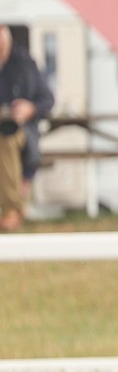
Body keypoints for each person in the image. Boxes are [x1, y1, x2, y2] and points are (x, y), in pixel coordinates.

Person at [0, 25, 55, 231]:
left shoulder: (24, 64)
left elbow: (48, 99)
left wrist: (30, 108)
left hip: (21, 130)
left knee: (6, 140)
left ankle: (12, 209)